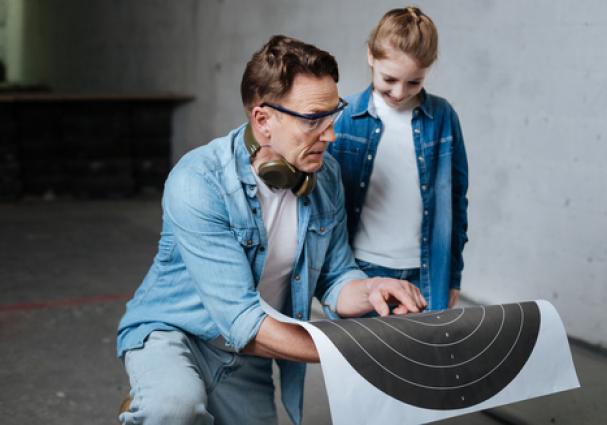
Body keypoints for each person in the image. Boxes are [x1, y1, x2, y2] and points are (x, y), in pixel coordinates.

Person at [116, 35, 426, 425]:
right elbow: (242, 320)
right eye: (314, 119)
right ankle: (156, 403)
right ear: (263, 120)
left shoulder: (324, 175)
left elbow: (335, 278)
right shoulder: (198, 180)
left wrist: (372, 288)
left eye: (334, 114)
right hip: (176, 336)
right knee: (175, 408)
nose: (330, 134)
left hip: (247, 355)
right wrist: (356, 347)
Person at [329, 6, 469, 311]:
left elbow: (457, 201)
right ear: (370, 55)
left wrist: (453, 275)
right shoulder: (344, 116)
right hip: (359, 270)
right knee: (357, 358)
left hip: (426, 274)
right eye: (389, 78)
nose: (399, 92)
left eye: (414, 82)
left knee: (421, 359)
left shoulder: (443, 117)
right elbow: (321, 201)